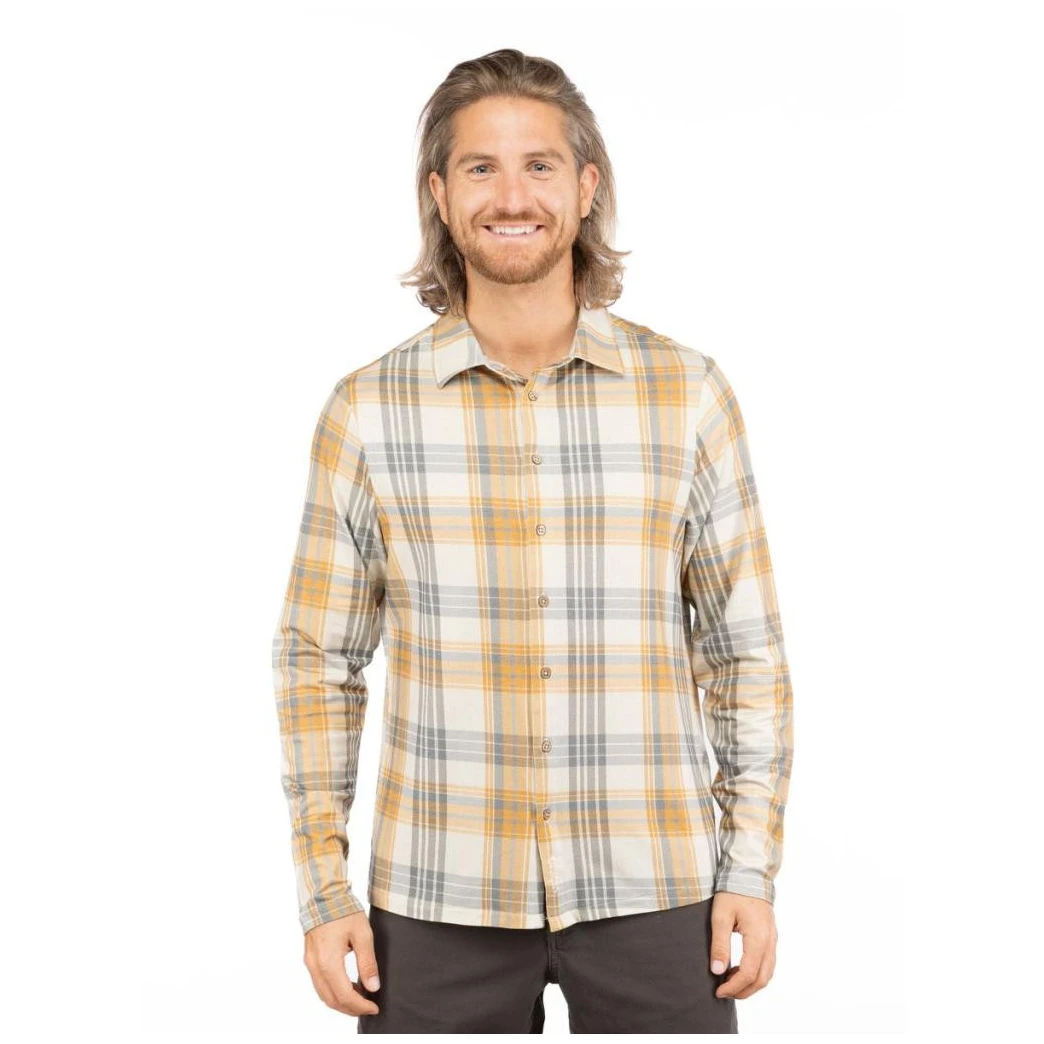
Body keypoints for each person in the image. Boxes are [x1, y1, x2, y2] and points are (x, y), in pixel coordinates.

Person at [270, 47, 794, 1034]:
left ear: (587, 187)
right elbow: (317, 662)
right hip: (437, 894)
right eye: (481, 167)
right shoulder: (367, 412)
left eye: (540, 165)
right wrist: (323, 889)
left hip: (658, 888)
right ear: (440, 194)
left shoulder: (688, 396)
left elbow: (745, 653)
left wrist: (750, 868)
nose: (512, 196)